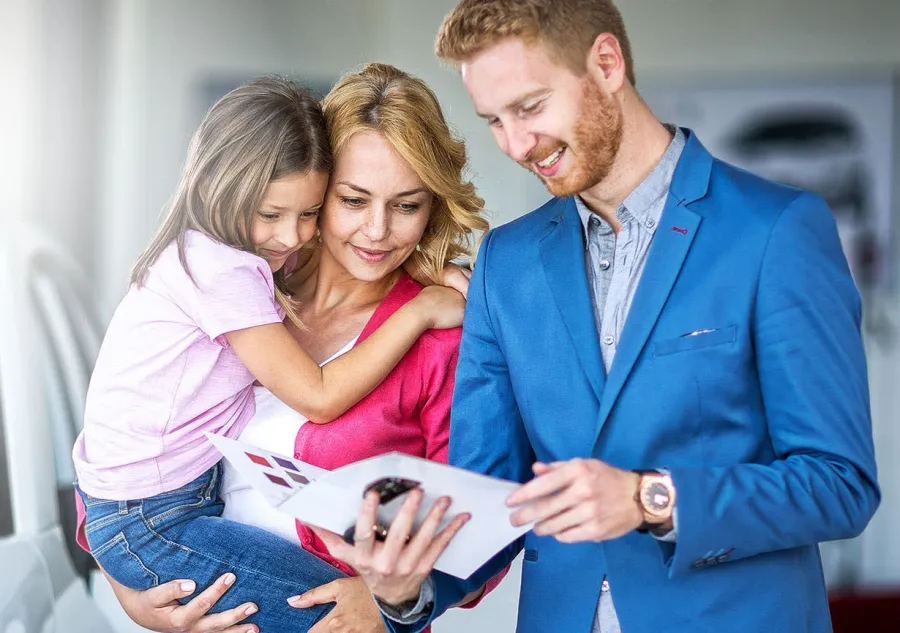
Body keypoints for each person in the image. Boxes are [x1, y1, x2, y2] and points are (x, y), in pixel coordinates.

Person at [315, 2, 882, 632]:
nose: (516, 145)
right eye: (494, 121)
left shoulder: (775, 230)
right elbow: (483, 498)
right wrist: (403, 588)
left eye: (529, 107)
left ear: (606, 63)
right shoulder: (506, 262)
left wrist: (648, 498)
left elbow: (839, 484)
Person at [87, 64, 503, 633]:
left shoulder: (444, 341)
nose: (377, 231)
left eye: (407, 205)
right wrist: (136, 588)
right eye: (353, 200)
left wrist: (393, 602)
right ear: (313, 183)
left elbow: (478, 532)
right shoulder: (241, 281)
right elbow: (125, 418)